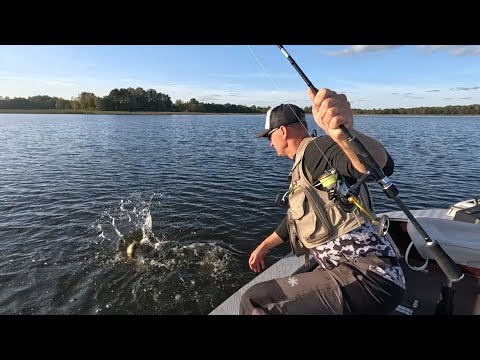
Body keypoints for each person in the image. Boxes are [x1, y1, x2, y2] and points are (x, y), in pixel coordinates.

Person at [239, 88, 406, 315]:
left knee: (256, 301)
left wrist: (347, 136)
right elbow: (292, 221)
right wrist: (263, 248)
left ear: (282, 131)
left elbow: (377, 168)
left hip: (370, 277)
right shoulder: (305, 163)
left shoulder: (318, 150)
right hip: (353, 274)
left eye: (269, 136)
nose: (269, 143)